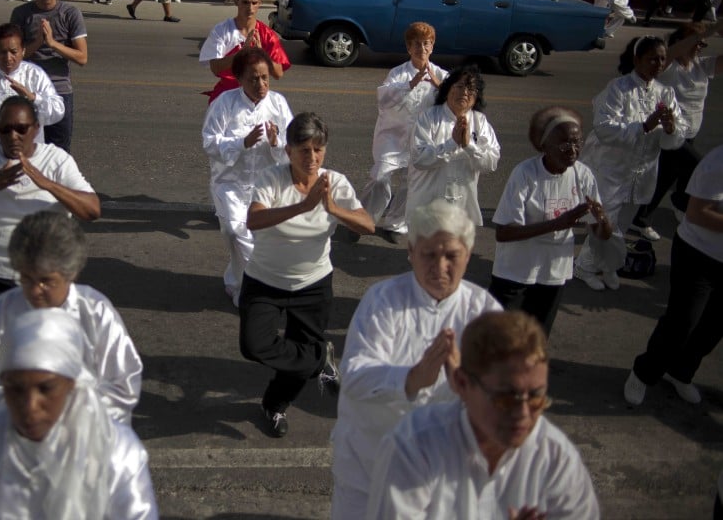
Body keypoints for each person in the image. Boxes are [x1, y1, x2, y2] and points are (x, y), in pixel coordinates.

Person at [330, 200, 501, 520]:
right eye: (429, 255)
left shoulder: (484, 313)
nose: (440, 267)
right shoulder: (383, 301)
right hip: (368, 465)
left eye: (451, 255)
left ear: (468, 252)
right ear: (410, 252)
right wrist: (412, 377)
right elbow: (354, 375)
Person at [0, 307, 158, 519]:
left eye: (46, 389)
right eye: (15, 389)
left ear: (72, 385)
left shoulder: (116, 451)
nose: (29, 405)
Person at [364, 310, 599, 519]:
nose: (523, 414)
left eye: (536, 397)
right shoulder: (414, 449)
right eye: (506, 398)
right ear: (462, 384)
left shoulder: (556, 457)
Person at [240, 113, 374, 437]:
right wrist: (302, 206)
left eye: (318, 149)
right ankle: (319, 360)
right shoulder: (272, 178)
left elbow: (367, 225)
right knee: (253, 345)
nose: (312, 158)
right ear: (288, 151)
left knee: (297, 356)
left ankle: (274, 406)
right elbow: (253, 221)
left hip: (312, 285)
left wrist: (331, 207)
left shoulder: (335, 183)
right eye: (304, 150)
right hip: (264, 281)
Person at [0, 95, 100, 362]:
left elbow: (92, 210)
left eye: (21, 129)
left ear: (36, 129)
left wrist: (47, 183)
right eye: (5, 129)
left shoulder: (56, 160)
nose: (13, 136)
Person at [0, 211, 141, 423]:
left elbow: (123, 386)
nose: (35, 290)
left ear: (71, 273)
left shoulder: (95, 311)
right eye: (26, 279)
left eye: (46, 281)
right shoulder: (3, 310)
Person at [574, 36, 687, 291]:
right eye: (652, 59)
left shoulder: (665, 92)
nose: (658, 64)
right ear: (637, 60)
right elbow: (604, 128)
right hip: (612, 168)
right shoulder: (618, 88)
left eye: (662, 59)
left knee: (622, 224)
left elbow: (676, 135)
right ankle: (584, 267)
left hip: (642, 171)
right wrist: (645, 126)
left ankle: (605, 265)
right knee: (605, 222)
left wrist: (670, 128)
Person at [490, 107, 612, 336]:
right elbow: (504, 232)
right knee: (500, 338)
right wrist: (558, 223)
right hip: (516, 272)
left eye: (578, 143)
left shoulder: (583, 175)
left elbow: (601, 234)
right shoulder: (525, 173)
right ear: (545, 145)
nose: (573, 150)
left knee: (535, 338)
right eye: (565, 144)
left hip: (553, 272)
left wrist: (602, 220)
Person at [624, 145, 723, 407]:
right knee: (683, 322)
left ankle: (681, 373)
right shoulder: (717, 161)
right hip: (698, 254)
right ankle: (644, 372)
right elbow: (697, 212)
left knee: (713, 327)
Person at [202, 48, 293, 307]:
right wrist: (243, 142)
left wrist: (276, 143)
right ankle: (260, 287)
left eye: (265, 78)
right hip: (230, 183)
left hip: (265, 186)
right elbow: (210, 142)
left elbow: (292, 147)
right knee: (234, 231)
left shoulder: (278, 104)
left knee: (258, 239)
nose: (261, 84)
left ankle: (237, 282)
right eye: (253, 79)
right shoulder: (225, 103)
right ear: (239, 79)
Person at [357, 22, 448, 239]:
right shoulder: (398, 74)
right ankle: (363, 220)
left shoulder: (442, 75)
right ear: (408, 47)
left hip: (423, 140)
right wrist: (410, 84)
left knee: (413, 183)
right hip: (392, 137)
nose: (422, 49)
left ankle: (395, 224)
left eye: (426, 44)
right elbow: (384, 99)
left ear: (432, 46)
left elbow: (455, 106)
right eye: (416, 44)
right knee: (380, 177)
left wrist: (440, 87)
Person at [632, 19, 722, 237]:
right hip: (669, 133)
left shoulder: (701, 66)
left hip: (689, 133)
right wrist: (708, 31)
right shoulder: (668, 65)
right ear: (685, 41)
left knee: (667, 177)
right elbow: (672, 51)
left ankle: (645, 216)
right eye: (698, 44)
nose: (700, 48)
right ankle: (679, 204)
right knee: (695, 167)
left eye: (703, 46)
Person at [10, 0, 88, 152]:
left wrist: (52, 43)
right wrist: (37, 42)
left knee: (59, 153)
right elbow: (13, 59)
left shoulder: (70, 13)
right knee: (26, 151)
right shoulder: (21, 14)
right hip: (28, 91)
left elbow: (82, 57)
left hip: (59, 91)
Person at [407, 65, 501, 227]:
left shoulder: (480, 122)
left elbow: (491, 163)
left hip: (463, 209)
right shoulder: (428, 118)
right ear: (447, 90)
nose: (465, 92)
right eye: (459, 86)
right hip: (427, 205)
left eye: (471, 89)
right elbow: (420, 159)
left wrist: (468, 146)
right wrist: (452, 144)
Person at [198, 0, 290, 103]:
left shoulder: (267, 35)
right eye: (245, 2)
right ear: (237, 2)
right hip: (226, 98)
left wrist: (262, 54)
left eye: (254, 3)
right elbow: (215, 68)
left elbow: (278, 74)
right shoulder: (222, 30)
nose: (250, 8)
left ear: (259, 3)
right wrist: (242, 54)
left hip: (256, 99)